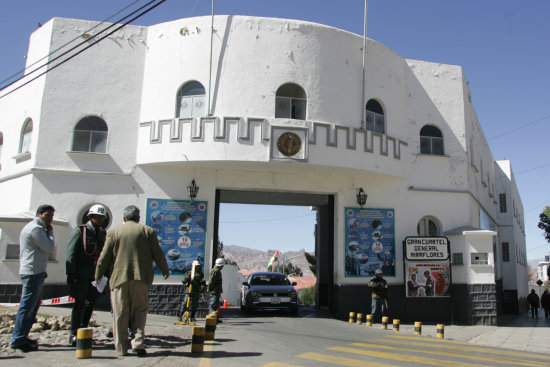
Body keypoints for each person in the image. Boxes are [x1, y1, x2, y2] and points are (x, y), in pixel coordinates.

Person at [95, 205, 169, 357]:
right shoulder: (148, 231)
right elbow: (158, 254)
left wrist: (98, 273)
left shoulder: (114, 232)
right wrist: (165, 269)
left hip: (119, 279)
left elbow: (104, 256)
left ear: (124, 218)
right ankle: (138, 342)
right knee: (140, 311)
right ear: (138, 218)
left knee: (120, 312)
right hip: (141, 278)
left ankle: (121, 348)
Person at [10, 205, 56, 353]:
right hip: (32, 273)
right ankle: (18, 339)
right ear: (39, 214)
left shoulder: (36, 228)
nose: (50, 218)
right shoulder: (36, 229)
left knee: (32, 307)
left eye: (51, 216)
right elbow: (49, 247)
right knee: (27, 307)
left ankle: (23, 336)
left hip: (36, 271)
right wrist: (51, 233)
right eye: (47, 215)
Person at [66, 204, 107, 346]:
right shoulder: (80, 231)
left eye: (102, 217)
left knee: (90, 303)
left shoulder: (102, 233)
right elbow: (71, 252)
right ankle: (74, 333)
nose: (100, 219)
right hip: (81, 273)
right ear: (91, 217)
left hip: (95, 275)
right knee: (79, 303)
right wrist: (71, 272)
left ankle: (83, 330)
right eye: (98, 217)